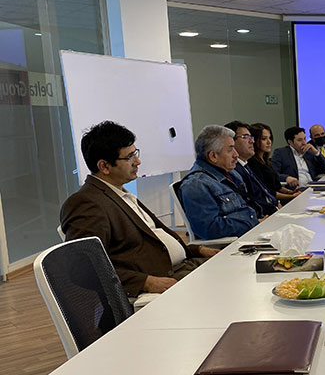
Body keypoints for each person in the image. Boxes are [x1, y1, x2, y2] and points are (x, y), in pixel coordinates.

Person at [60, 121, 218, 297]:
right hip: (164, 284)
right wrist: (146, 282)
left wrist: (197, 250)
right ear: (104, 166)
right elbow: (83, 269)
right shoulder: (86, 203)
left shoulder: (120, 193)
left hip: (184, 267)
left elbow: (151, 241)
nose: (138, 162)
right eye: (129, 157)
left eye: (135, 154)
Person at [179, 125, 261, 240]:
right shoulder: (196, 184)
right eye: (230, 149)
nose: (236, 154)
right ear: (213, 156)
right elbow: (210, 229)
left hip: (250, 232)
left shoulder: (231, 173)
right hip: (234, 243)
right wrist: (252, 221)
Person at [223, 120, 279, 217]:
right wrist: (274, 210)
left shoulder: (245, 166)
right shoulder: (234, 170)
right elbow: (251, 201)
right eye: (245, 137)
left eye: (251, 137)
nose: (252, 141)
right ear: (231, 141)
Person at [249, 123, 302, 203]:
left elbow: (277, 187)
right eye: (264, 139)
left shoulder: (266, 161)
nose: (269, 142)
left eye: (270, 138)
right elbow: (268, 191)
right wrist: (291, 196)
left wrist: (291, 192)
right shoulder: (252, 163)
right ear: (254, 140)